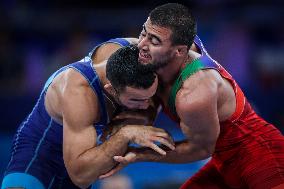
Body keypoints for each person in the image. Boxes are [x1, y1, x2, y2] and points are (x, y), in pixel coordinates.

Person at [100, 3, 284, 189]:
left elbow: (202, 149)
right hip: (224, 162)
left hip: (264, 158)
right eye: (143, 32)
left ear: (180, 50)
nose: (141, 44)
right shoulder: (174, 43)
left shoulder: (194, 94)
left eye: (154, 41)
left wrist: (139, 155)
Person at [1, 39, 175, 189]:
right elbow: (80, 177)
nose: (145, 106)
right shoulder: (79, 91)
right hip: (40, 155)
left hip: (85, 150)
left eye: (150, 97)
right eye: (136, 100)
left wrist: (152, 109)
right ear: (111, 90)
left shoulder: (143, 53)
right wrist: (126, 133)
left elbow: (189, 50)